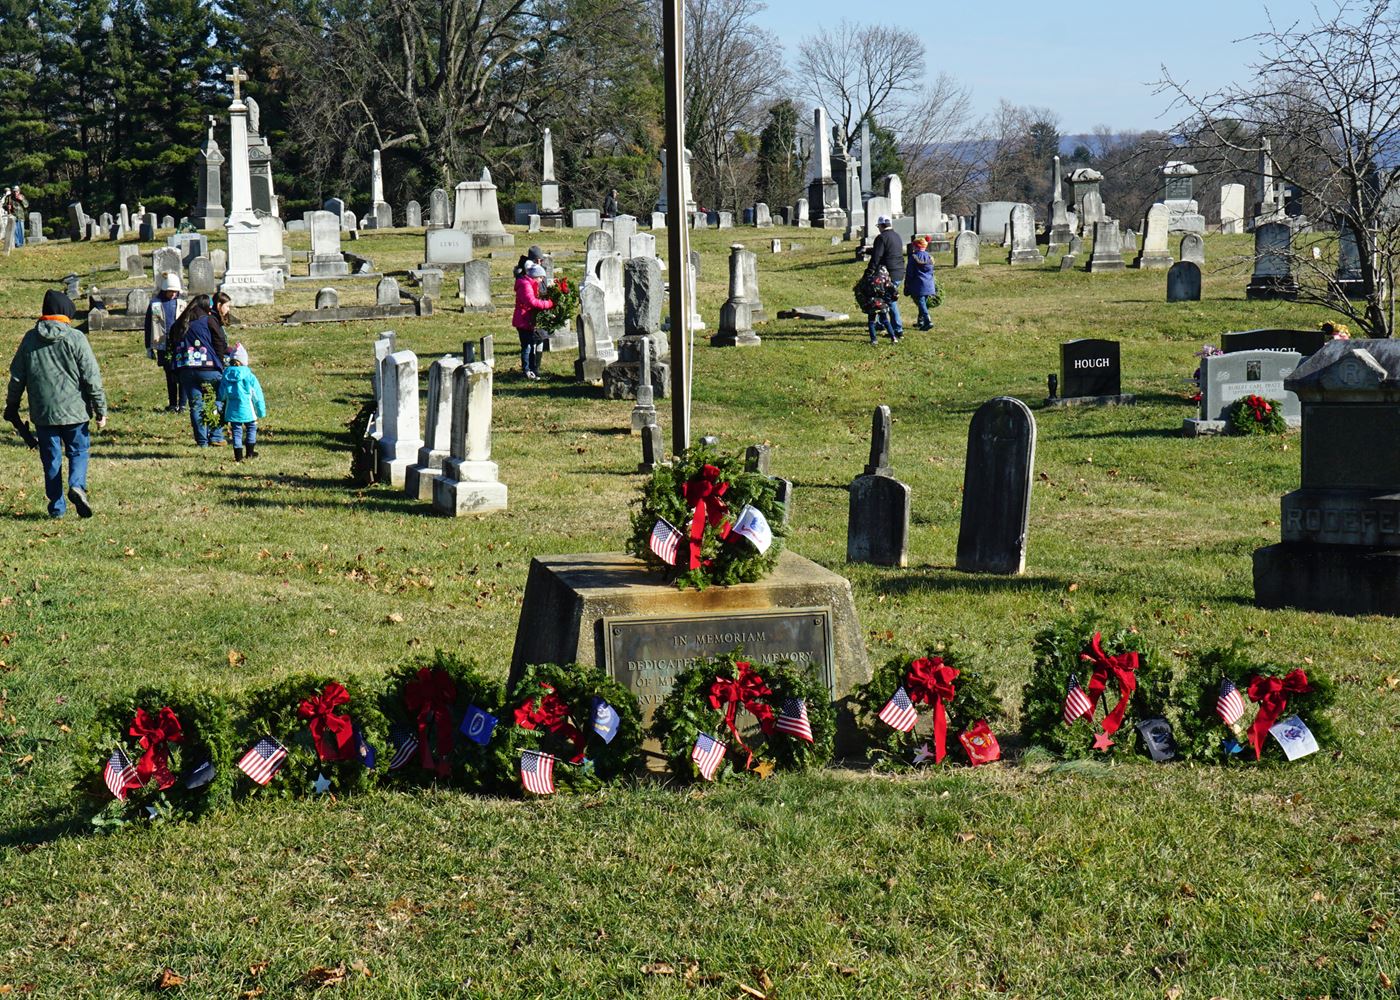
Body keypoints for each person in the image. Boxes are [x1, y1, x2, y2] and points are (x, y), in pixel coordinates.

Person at [4, 289, 107, 518]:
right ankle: (77, 485)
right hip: (76, 411)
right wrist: (101, 409)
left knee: (51, 459)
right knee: (78, 451)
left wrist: (11, 406)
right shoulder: (76, 338)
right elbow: (91, 377)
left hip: (43, 413)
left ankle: (57, 508)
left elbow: (17, 378)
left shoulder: (30, 339)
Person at [170, 292, 230, 446]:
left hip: (185, 368)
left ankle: (201, 441)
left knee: (196, 405)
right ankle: (216, 436)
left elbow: (171, 342)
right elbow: (220, 342)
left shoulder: (180, 322)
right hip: (208, 368)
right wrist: (221, 362)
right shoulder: (209, 320)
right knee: (217, 400)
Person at [216, 343, 266, 462]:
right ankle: (250, 452)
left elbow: (222, 394)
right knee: (251, 428)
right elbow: (257, 396)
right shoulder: (249, 376)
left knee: (236, 431)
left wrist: (220, 402)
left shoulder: (226, 375)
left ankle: (238, 456)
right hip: (247, 408)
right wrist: (260, 411)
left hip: (232, 410)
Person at [144, 271, 185, 412]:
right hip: (163, 343)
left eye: (175, 292)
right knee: (170, 374)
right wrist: (149, 347)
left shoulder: (181, 303)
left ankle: (183, 404)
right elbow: (149, 326)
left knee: (183, 373)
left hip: (180, 343)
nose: (173, 295)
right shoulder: (155, 304)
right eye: (170, 292)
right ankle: (173, 403)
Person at [863, 215, 905, 344]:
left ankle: (898, 330)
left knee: (890, 301)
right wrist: (868, 250)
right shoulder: (897, 236)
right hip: (899, 271)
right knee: (885, 300)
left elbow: (877, 257)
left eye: (878, 226)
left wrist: (868, 273)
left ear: (881, 226)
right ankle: (882, 324)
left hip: (887, 274)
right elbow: (888, 252)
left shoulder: (881, 237)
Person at [511, 253, 553, 380]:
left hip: (528, 319)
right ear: (535, 276)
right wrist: (548, 304)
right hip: (523, 320)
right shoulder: (525, 285)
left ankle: (533, 369)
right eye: (540, 278)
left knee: (531, 344)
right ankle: (527, 370)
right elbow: (531, 302)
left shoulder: (531, 284)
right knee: (527, 346)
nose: (541, 280)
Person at [905, 236, 936, 331]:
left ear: (916, 246)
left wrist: (907, 284)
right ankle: (920, 321)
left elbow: (910, 273)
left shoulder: (914, 257)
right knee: (923, 303)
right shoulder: (930, 257)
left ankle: (928, 320)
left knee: (921, 303)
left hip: (918, 284)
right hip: (929, 284)